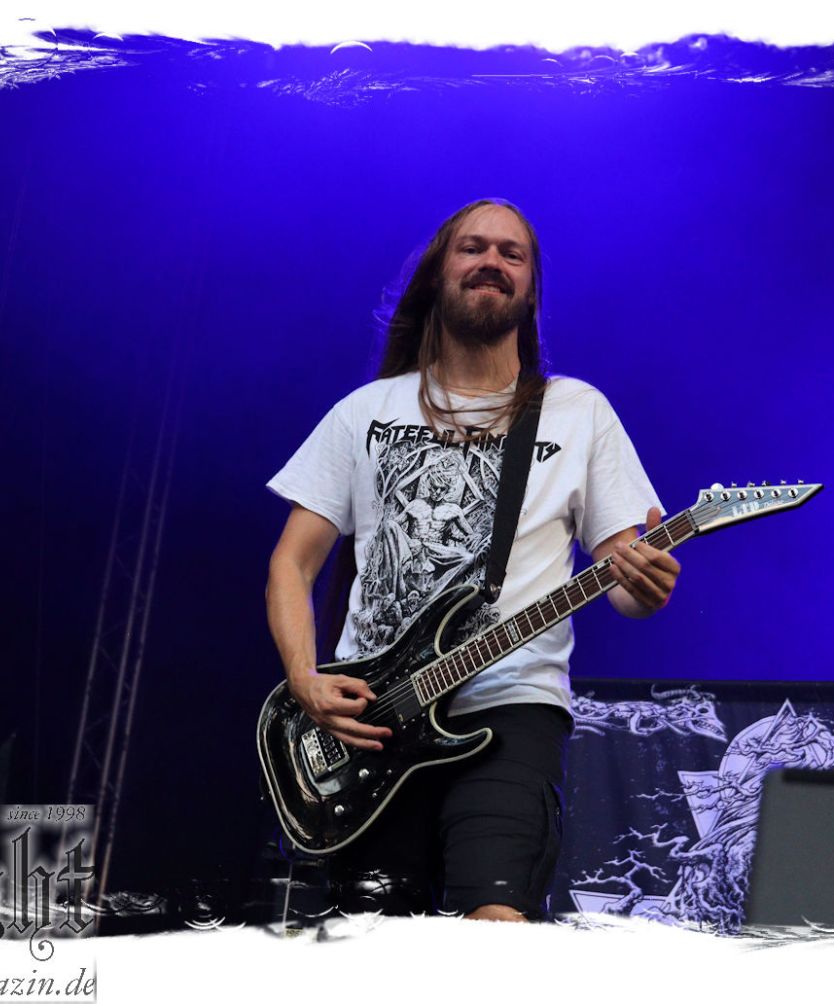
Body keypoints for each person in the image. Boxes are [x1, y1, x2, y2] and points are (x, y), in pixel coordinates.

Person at [264, 198, 680, 922]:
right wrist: (305, 680)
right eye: (473, 247)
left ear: (531, 290)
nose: (492, 261)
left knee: (496, 925)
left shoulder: (577, 411)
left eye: (511, 254)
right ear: (438, 274)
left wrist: (645, 583)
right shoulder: (366, 411)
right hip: (373, 718)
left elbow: (622, 574)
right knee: (371, 943)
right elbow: (291, 565)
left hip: (512, 706)